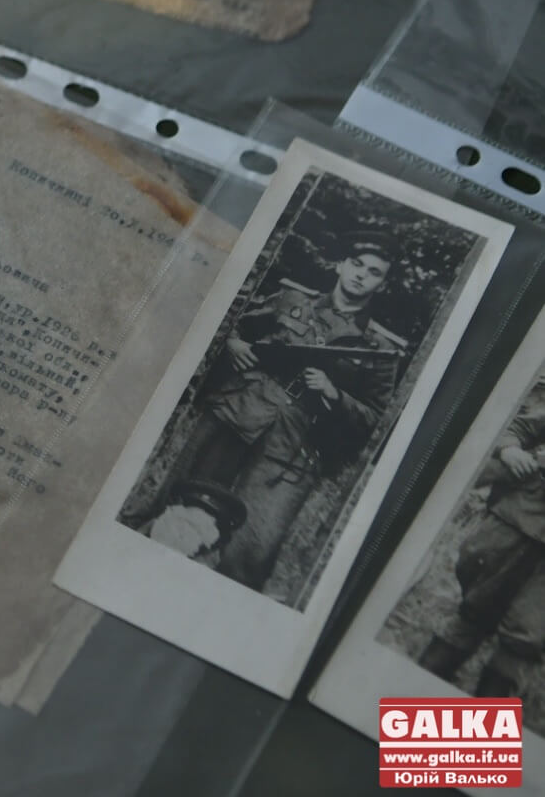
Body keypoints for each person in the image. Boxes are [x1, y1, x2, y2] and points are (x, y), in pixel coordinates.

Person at [143, 232, 404, 590]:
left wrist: (335, 393)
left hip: (295, 445)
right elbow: (233, 321)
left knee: (252, 550)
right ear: (341, 265)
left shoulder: (380, 349)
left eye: (374, 272)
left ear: (383, 284)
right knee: (177, 509)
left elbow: (374, 416)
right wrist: (233, 342)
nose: (361, 275)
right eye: (356, 264)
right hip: (239, 413)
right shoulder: (292, 300)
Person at [419, 397, 545, 698]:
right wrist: (510, 451)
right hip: (516, 523)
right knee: (474, 611)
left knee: (524, 638)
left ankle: (479, 725)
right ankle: (410, 699)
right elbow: (516, 428)